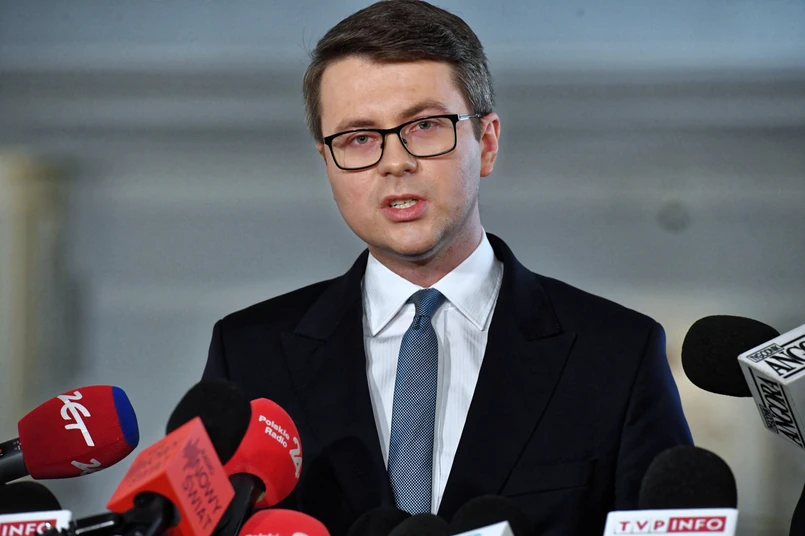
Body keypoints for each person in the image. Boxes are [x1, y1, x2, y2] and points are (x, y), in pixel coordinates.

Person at [202, 1, 693, 534]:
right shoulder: (248, 355)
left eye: (425, 126)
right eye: (359, 138)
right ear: (327, 162)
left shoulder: (617, 354)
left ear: (487, 143)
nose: (395, 162)